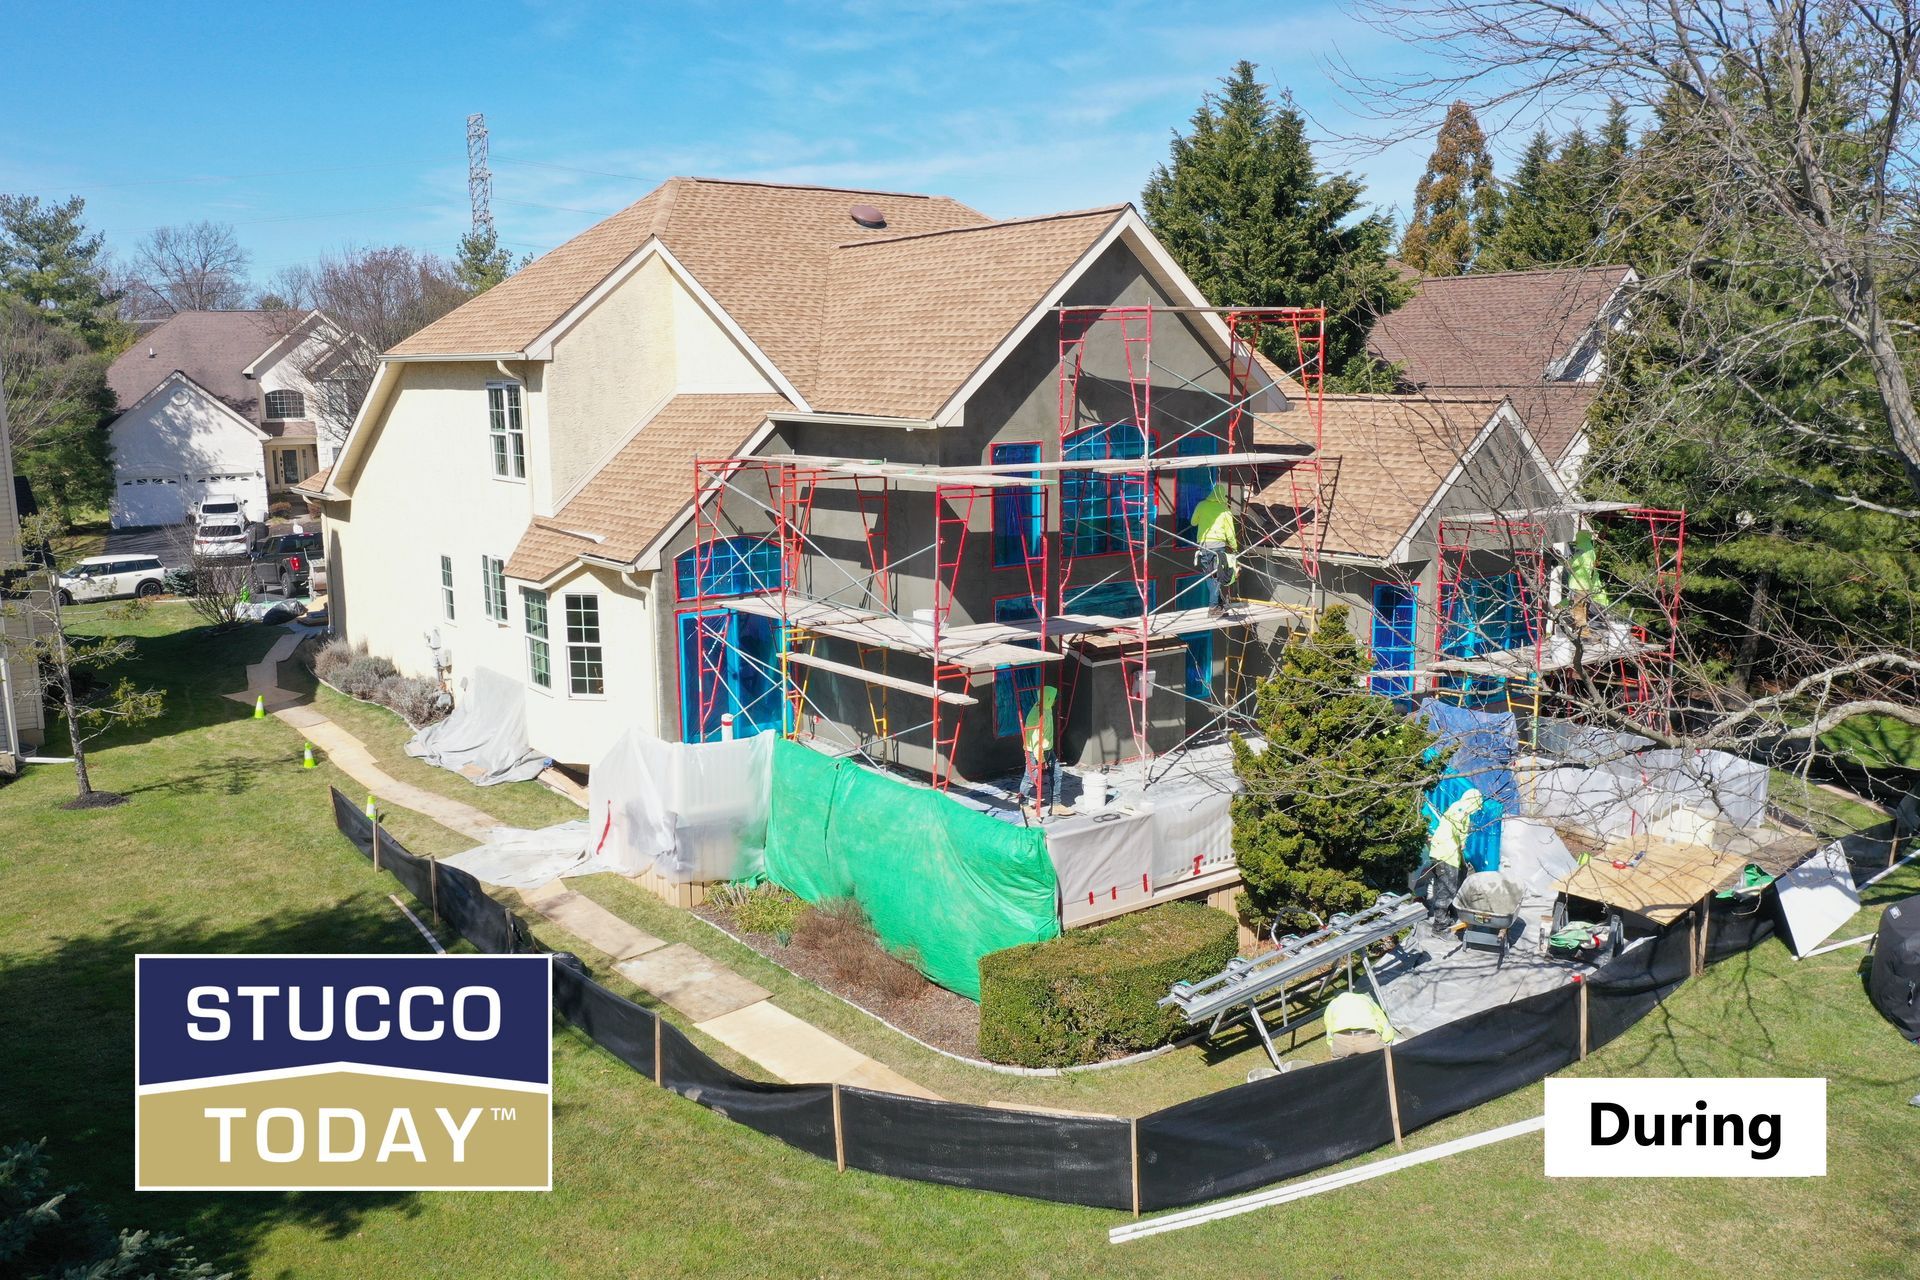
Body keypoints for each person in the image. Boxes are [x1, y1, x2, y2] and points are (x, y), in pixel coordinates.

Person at [1422, 787, 1483, 934]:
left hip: (1441, 852)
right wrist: (1460, 841)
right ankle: (1440, 925)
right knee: (1447, 889)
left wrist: (1462, 841)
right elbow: (1457, 827)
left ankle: (1445, 916)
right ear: (1474, 803)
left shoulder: (1460, 809)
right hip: (1446, 854)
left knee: (1441, 887)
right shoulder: (1461, 810)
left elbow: (1460, 831)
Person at [1190, 481, 1239, 617]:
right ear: (1223, 496)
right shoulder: (1225, 510)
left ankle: (1215, 604)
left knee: (1209, 575)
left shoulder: (1202, 505)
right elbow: (1230, 532)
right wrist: (1235, 548)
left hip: (1204, 545)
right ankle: (1213, 607)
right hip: (1218, 546)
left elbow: (1193, 522)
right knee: (1218, 575)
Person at [1016, 683, 1060, 819]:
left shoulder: (1045, 707)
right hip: (1034, 750)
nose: (1055, 702)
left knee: (1057, 772)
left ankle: (1056, 804)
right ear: (1048, 699)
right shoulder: (1039, 713)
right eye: (1054, 699)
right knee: (1030, 777)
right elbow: (1036, 738)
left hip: (1046, 748)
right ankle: (1023, 804)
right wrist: (1040, 760)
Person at [1564, 529, 1612, 638]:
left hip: (1578, 584)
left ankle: (1584, 636)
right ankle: (1585, 634)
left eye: (1577, 536)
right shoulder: (1591, 549)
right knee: (1583, 611)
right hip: (1586, 585)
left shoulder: (1582, 548)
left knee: (1577, 612)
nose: (1576, 539)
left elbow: (1575, 563)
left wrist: (1566, 562)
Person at [1324, 990, 1398, 1057]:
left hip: (1342, 1038)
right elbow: (1383, 1021)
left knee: (1339, 1068)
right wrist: (1386, 1042)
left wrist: (1333, 1044)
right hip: (1367, 1036)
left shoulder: (1333, 1003)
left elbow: (1329, 1026)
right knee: (1381, 1062)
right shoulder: (1365, 999)